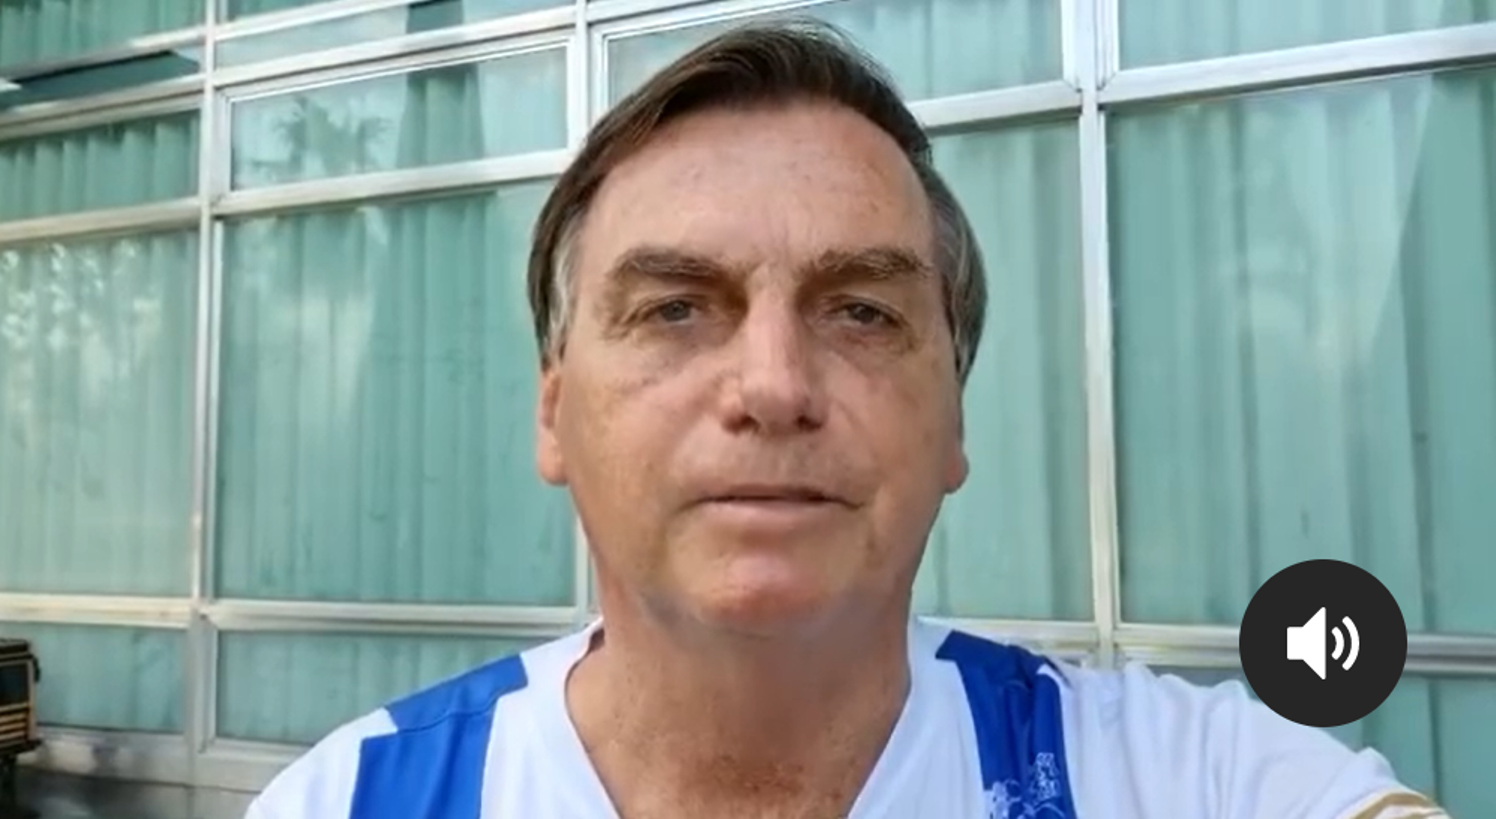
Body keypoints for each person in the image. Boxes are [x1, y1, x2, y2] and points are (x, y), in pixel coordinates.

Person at [244, 22, 1449, 819]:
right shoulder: (347, 800)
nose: (773, 384)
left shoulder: (1178, 781)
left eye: (862, 312)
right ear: (553, 413)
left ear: (953, 419)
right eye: (674, 308)